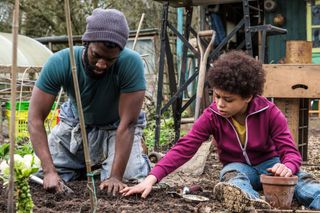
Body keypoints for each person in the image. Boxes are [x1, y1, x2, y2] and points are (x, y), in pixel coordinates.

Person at [121, 51, 320, 212]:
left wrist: (288, 166)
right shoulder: (212, 115)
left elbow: (291, 152)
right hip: (238, 167)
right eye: (216, 96)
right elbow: (185, 147)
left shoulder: (270, 113)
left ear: (248, 96)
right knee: (232, 176)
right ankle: (251, 204)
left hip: (271, 167)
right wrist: (151, 178)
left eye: (228, 99)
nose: (220, 104)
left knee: (304, 183)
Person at [28, 8, 150, 195]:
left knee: (128, 179)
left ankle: (129, 161)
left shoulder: (130, 64)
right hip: (76, 124)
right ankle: (88, 166)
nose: (102, 64)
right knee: (49, 175)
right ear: (86, 43)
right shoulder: (62, 62)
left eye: (110, 59)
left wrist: (116, 176)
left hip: (117, 127)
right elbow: (35, 118)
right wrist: (49, 170)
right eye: (96, 55)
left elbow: (128, 124)